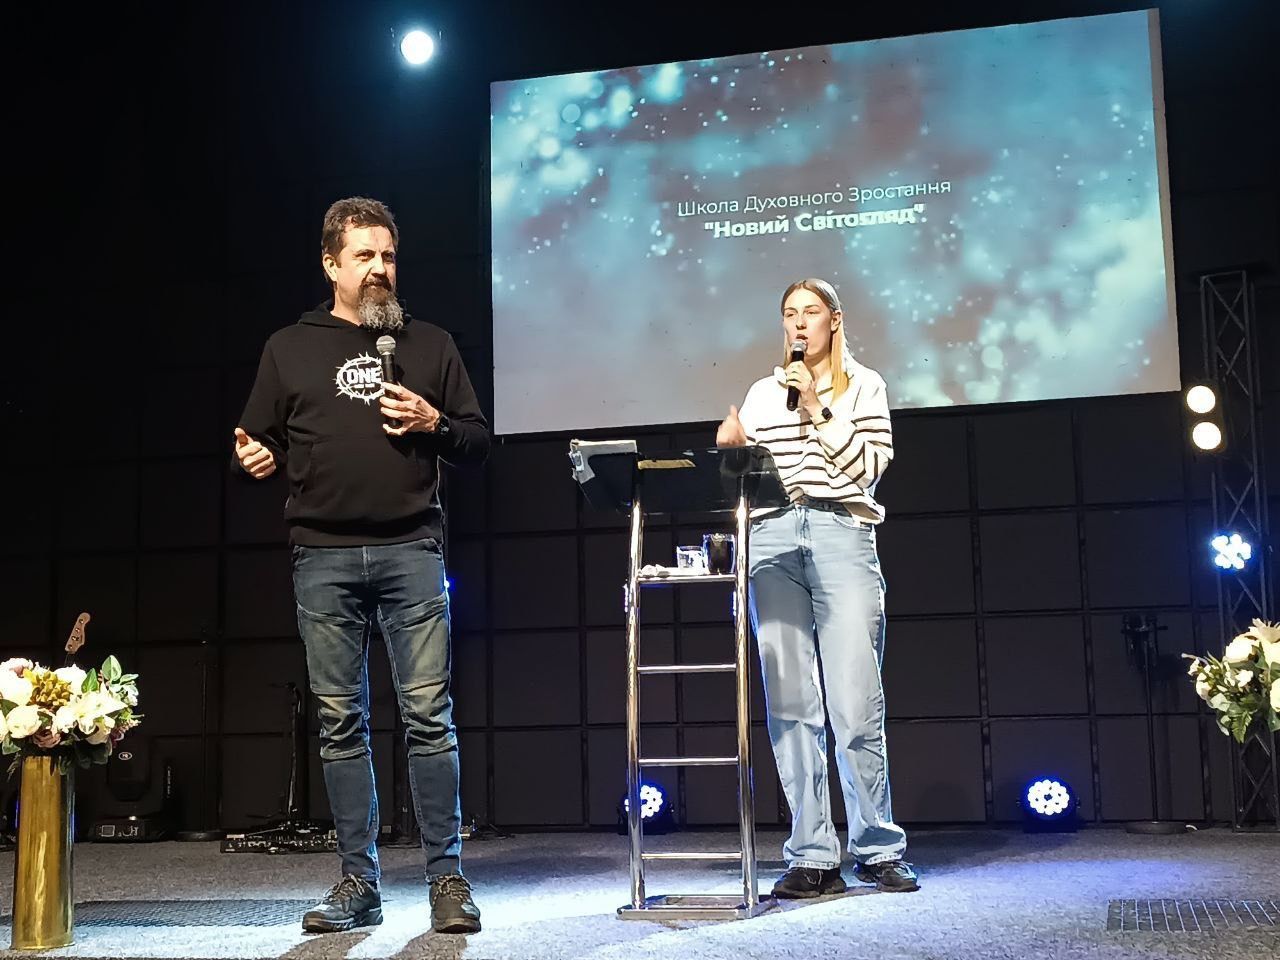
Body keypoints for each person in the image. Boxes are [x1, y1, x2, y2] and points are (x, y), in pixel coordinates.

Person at [233, 197, 490, 934]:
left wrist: (434, 423)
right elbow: (254, 440)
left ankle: (447, 880)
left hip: (412, 550)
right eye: (365, 256)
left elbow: (477, 442)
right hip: (323, 555)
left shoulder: (429, 343)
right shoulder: (289, 347)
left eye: (389, 256)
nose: (380, 269)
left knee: (428, 718)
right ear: (331, 264)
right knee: (341, 723)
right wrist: (252, 456)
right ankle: (359, 883)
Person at [716, 278, 918, 897]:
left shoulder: (865, 386)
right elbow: (745, 479)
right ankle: (811, 854)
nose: (799, 323)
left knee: (855, 701)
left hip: (840, 532)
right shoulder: (762, 393)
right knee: (790, 705)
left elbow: (868, 468)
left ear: (835, 320)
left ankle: (877, 848)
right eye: (789, 313)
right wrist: (733, 452)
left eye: (810, 312)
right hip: (772, 538)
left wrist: (818, 408)